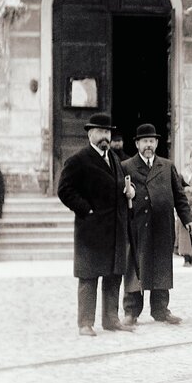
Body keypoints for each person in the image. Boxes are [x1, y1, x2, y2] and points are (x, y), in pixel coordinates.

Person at [56, 113, 135, 336]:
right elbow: (64, 190)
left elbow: (119, 187)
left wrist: (130, 192)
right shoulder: (79, 159)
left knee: (113, 276)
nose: (105, 137)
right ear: (90, 134)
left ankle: (111, 320)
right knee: (89, 277)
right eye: (100, 132)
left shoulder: (115, 159)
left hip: (115, 230)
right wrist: (86, 209)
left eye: (107, 132)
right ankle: (85, 323)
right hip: (91, 230)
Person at [122, 123, 192, 326]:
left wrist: (187, 218)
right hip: (138, 225)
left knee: (162, 266)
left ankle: (161, 310)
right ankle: (131, 311)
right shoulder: (127, 166)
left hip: (162, 225)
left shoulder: (167, 165)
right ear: (137, 144)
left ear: (157, 143)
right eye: (144, 141)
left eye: (152, 141)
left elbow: (179, 196)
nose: (148, 145)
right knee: (135, 266)